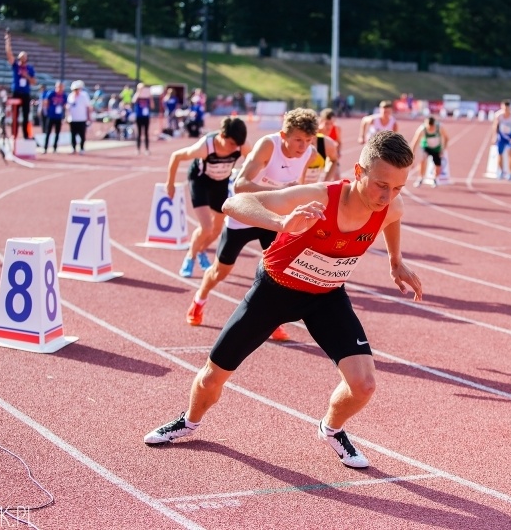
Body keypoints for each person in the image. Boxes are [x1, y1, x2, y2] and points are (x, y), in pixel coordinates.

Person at [144, 131, 422, 469]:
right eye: (381, 185)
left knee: (364, 385)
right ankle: (188, 421)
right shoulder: (319, 196)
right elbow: (235, 202)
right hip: (274, 292)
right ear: (359, 172)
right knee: (211, 378)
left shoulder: (392, 205)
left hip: (326, 296)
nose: (387, 196)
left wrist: (396, 260)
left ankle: (331, 430)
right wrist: (281, 223)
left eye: (397, 188)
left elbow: (392, 218)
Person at [184, 108, 318, 342]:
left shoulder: (309, 153)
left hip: (272, 219)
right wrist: (278, 193)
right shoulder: (269, 145)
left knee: (277, 272)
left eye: (307, 141)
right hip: (245, 214)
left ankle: (272, 321)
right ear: (284, 135)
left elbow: (299, 187)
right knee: (221, 270)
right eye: (298, 140)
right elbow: (240, 185)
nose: (302, 146)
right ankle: (199, 300)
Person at [165, 117, 250, 278]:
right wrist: (170, 184)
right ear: (222, 135)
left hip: (221, 182)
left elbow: (254, 163)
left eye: (238, 145)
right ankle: (191, 256)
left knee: (217, 230)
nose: (235, 148)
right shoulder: (205, 147)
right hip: (201, 181)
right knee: (206, 227)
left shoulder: (241, 145)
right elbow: (176, 156)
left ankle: (202, 250)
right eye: (232, 144)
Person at [4, 31, 36, 139]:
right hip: (16, 92)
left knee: (26, 116)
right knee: (15, 115)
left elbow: (34, 82)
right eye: (20, 58)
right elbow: (9, 54)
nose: (22, 60)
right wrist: (8, 41)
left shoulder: (30, 68)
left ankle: (26, 135)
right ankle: (14, 134)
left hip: (26, 93)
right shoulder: (16, 66)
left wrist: (26, 76)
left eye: (24, 58)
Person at [409, 116, 450, 187]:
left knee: (438, 164)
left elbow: (446, 138)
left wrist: (444, 149)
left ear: (434, 124)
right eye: (429, 127)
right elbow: (415, 142)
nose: (430, 129)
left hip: (437, 148)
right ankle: (420, 178)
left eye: (432, 127)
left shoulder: (440, 127)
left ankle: (435, 179)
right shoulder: (422, 129)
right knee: (422, 160)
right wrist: (411, 155)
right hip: (426, 147)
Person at [492, 99, 511, 180]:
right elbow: (495, 126)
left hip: (510, 136)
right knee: (500, 154)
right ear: (502, 107)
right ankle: (501, 171)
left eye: (507, 109)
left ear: (510, 108)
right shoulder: (498, 115)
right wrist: (494, 136)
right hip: (501, 136)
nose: (505, 111)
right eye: (504, 109)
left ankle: (510, 173)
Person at [67, 80, 92, 155]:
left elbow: (88, 107)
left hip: (82, 119)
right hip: (73, 119)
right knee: (73, 135)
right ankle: (73, 148)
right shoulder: (70, 96)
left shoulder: (84, 95)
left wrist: (88, 117)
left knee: (82, 135)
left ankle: (82, 148)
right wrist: (67, 116)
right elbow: (68, 108)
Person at [318, 108, 342, 180]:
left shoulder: (337, 128)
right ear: (321, 121)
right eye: (326, 123)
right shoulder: (318, 130)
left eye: (331, 123)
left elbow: (339, 142)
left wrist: (338, 151)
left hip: (331, 154)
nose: (329, 127)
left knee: (337, 176)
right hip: (319, 154)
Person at [42, 81, 66, 154]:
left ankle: (55, 148)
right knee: (48, 132)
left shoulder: (64, 95)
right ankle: (45, 148)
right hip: (51, 116)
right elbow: (46, 102)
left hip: (58, 117)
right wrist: (46, 111)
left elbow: (65, 105)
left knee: (57, 133)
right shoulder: (51, 94)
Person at [133, 82, 152, 155]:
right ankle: (138, 149)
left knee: (146, 133)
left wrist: (150, 96)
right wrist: (139, 92)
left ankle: (147, 149)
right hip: (139, 116)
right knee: (139, 133)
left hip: (146, 117)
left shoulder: (147, 97)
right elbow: (133, 101)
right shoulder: (137, 96)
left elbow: (152, 105)